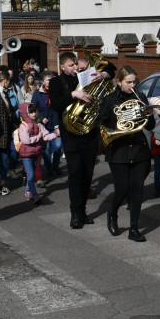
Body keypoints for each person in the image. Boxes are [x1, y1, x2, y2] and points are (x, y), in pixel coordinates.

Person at [48, 51, 111, 228]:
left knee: (88, 174)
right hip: (70, 135)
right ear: (62, 67)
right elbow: (55, 104)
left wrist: (103, 75)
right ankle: (75, 213)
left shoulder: (83, 77)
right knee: (76, 173)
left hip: (89, 133)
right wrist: (73, 95)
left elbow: (111, 74)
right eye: (71, 65)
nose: (75, 67)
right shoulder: (56, 82)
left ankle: (82, 211)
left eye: (76, 64)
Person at [98, 65, 158, 241]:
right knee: (122, 189)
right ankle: (112, 213)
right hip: (119, 150)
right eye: (129, 82)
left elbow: (150, 126)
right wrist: (116, 129)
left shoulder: (140, 97)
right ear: (119, 82)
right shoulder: (109, 100)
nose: (133, 86)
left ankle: (134, 228)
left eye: (134, 82)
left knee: (137, 189)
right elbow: (100, 124)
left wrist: (149, 116)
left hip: (139, 149)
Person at [15, 102, 57, 204]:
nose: (33, 114)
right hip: (27, 155)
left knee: (31, 175)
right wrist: (39, 137)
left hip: (36, 153)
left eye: (34, 111)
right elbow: (26, 140)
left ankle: (28, 191)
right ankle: (35, 195)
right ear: (25, 113)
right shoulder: (23, 126)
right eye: (31, 112)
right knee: (30, 175)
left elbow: (45, 136)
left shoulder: (39, 125)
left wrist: (56, 134)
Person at [32, 71, 63, 176]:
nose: (51, 81)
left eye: (52, 79)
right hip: (43, 126)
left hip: (55, 124)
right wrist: (41, 118)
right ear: (42, 82)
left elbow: (59, 108)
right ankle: (48, 167)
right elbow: (33, 108)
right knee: (46, 149)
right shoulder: (38, 94)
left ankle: (55, 165)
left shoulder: (57, 92)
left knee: (57, 147)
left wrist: (57, 125)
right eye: (48, 80)